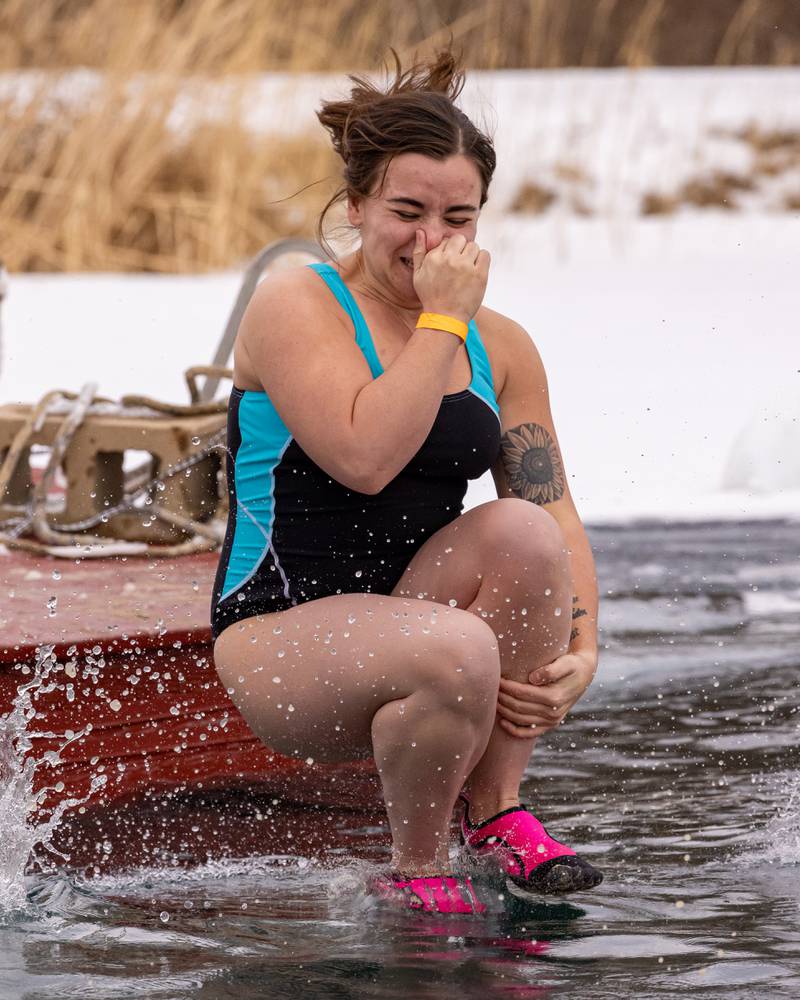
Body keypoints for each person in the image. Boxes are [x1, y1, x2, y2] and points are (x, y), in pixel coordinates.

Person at [210, 49, 602, 915]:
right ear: (356, 206)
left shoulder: (501, 345)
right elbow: (364, 456)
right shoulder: (296, 304)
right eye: (407, 212)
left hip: (415, 615)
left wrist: (584, 649)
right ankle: (417, 866)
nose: (432, 240)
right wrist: (442, 321)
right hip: (280, 638)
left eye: (458, 217)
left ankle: (496, 812)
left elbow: (556, 511)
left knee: (524, 533)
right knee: (456, 647)